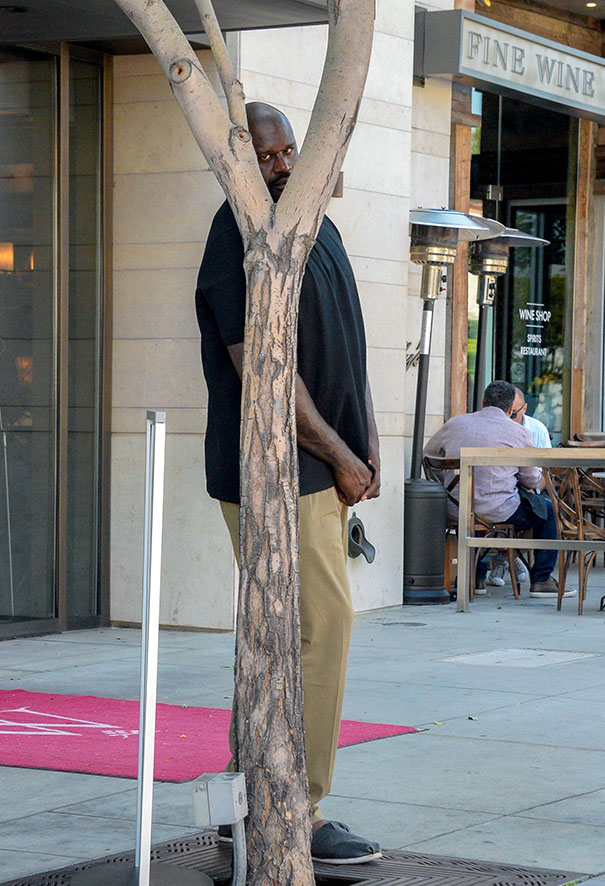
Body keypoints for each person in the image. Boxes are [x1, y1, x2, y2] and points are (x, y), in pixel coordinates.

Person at [195, 102, 381, 864]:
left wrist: (364, 448)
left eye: (285, 153)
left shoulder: (314, 227)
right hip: (277, 469)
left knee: (280, 638)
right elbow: (263, 370)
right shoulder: (235, 236)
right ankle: (295, 807)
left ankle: (247, 797)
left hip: (324, 469)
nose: (278, 168)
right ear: (237, 161)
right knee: (322, 626)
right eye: (263, 156)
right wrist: (340, 454)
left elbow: (347, 349)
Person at [423, 380, 575, 599]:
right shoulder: (519, 432)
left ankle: (477, 578)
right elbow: (532, 480)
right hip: (499, 511)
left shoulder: (455, 424)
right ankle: (541, 580)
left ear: (483, 401)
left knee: (474, 512)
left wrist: (446, 486)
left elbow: (428, 456)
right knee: (548, 510)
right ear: (511, 409)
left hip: (454, 509)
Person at [486, 386, 551, 588]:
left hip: (528, 487)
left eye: (514, 414)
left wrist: (535, 489)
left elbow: (546, 470)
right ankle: (537, 576)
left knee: (539, 504)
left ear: (525, 408)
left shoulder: (536, 429)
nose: (510, 417)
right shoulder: (496, 429)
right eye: (509, 412)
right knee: (542, 510)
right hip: (500, 493)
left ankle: (505, 558)